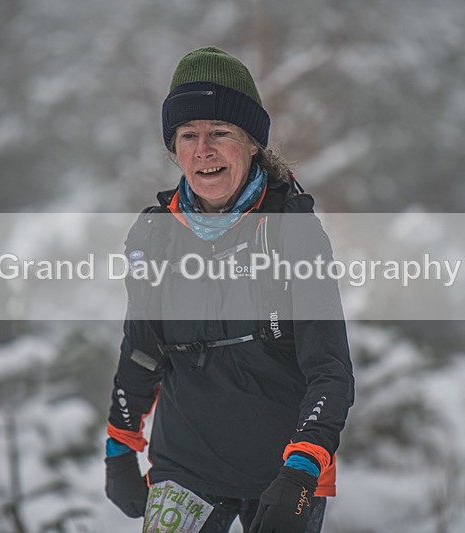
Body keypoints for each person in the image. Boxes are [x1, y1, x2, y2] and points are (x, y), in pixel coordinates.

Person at [104, 46, 354, 533]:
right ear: (173, 148)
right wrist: (119, 447)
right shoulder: (154, 237)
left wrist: (302, 470)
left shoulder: (292, 233)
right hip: (185, 467)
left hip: (284, 469)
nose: (204, 150)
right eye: (188, 135)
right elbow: (142, 353)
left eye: (221, 133)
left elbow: (330, 371)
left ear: (252, 143)